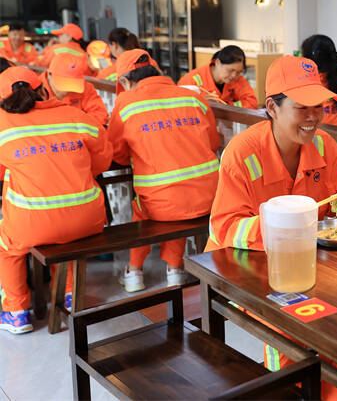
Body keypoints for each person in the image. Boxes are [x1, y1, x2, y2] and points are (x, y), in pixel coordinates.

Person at [206, 55, 337, 400]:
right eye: (302, 107)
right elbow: (226, 227)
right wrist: (287, 230)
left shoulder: (324, 145)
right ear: (272, 108)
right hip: (244, 267)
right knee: (296, 326)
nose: (313, 117)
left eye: (318, 106)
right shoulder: (243, 153)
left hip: (306, 263)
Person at [0, 67, 111, 334]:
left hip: (33, 224)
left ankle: (16, 312)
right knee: (67, 236)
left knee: (6, 247)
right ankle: (70, 295)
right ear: (43, 89)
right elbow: (102, 160)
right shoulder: (76, 116)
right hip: (88, 219)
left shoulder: (3, 123)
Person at [108, 49, 220, 292]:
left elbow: (116, 153)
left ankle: (134, 272)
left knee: (147, 206)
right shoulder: (193, 97)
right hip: (210, 196)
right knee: (178, 200)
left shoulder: (126, 103)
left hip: (164, 203)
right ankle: (175, 269)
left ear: (125, 81)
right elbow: (213, 143)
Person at [40, 53, 109, 126]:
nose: (66, 91)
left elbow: (101, 115)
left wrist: (74, 126)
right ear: (49, 74)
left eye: (72, 85)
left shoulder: (86, 88)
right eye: (63, 84)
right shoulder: (35, 91)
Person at [178, 45, 257, 108]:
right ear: (218, 62)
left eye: (239, 72)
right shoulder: (190, 81)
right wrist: (202, 103)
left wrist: (226, 105)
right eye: (230, 70)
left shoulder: (237, 77)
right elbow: (182, 109)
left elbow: (252, 103)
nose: (234, 75)